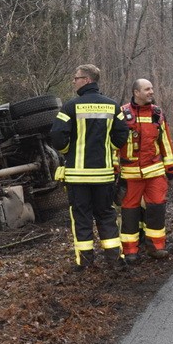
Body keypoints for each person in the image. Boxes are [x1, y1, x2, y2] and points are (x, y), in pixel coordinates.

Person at [51, 64, 129, 270]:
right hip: (103, 176)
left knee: (82, 218)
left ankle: (85, 263)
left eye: (76, 78)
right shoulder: (113, 106)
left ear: (87, 80)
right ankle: (114, 260)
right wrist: (107, 146)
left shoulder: (70, 107)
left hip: (78, 176)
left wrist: (69, 150)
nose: (74, 81)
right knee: (106, 215)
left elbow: (57, 137)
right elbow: (122, 136)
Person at [117, 79, 173, 263]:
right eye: (147, 89)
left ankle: (156, 247)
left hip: (155, 173)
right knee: (129, 212)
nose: (151, 91)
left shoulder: (157, 113)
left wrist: (170, 167)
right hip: (130, 174)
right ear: (136, 92)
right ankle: (130, 251)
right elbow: (114, 144)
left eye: (152, 88)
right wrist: (114, 169)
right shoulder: (122, 114)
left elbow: (165, 141)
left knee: (157, 209)